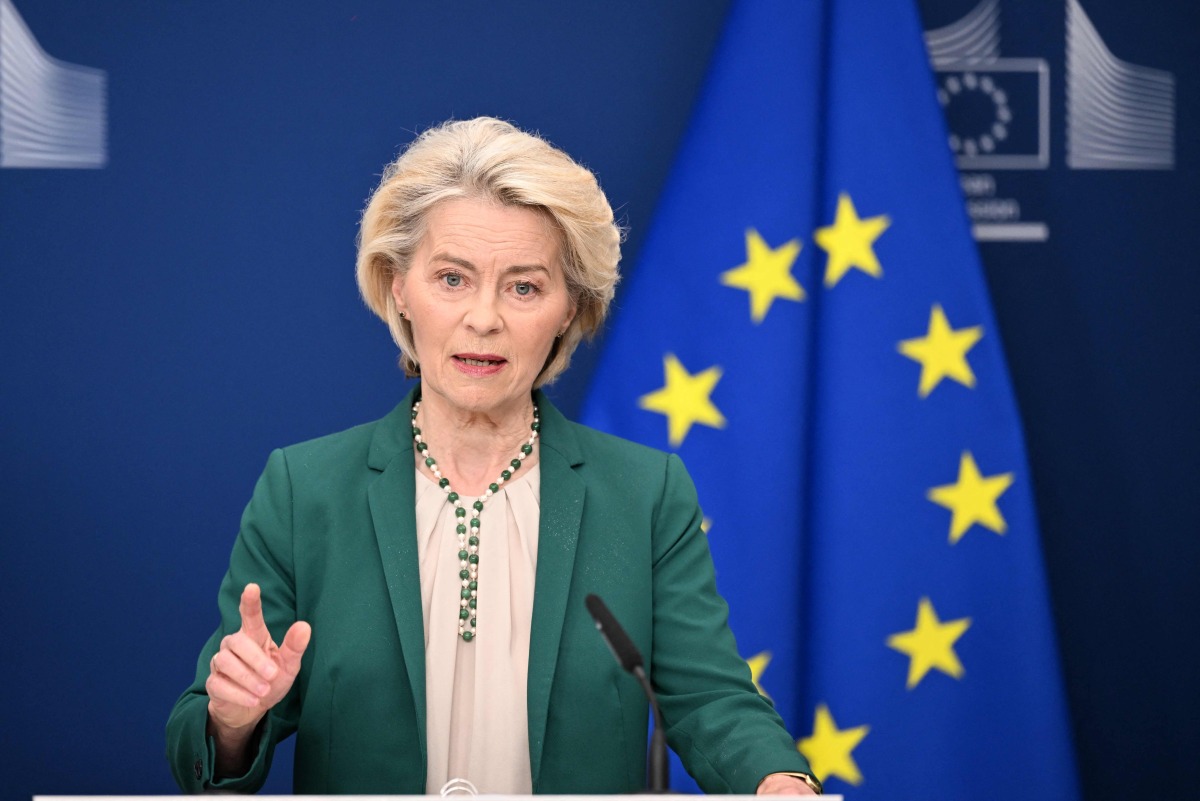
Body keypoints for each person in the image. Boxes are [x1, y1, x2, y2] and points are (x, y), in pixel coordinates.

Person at [166, 117, 820, 796]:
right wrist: (234, 720)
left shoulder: (644, 492)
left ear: (571, 309)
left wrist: (778, 780)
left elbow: (711, 698)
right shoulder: (305, 490)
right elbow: (201, 746)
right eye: (452, 278)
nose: (484, 317)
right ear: (398, 286)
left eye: (524, 287)